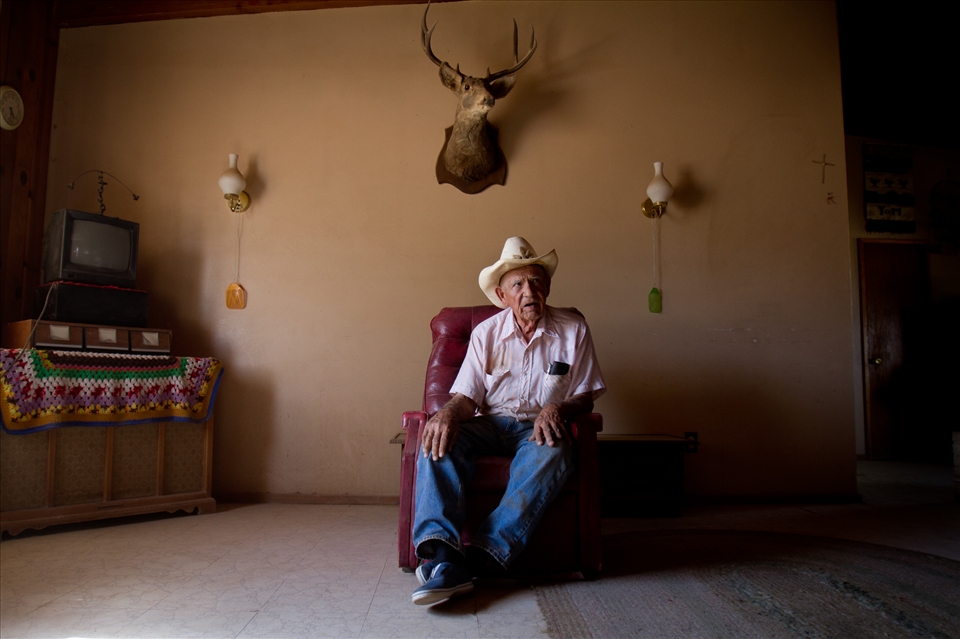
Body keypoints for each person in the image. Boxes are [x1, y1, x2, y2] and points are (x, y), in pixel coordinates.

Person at [412, 236, 606, 606]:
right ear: (502, 295)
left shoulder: (574, 330)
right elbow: (467, 397)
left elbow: (584, 394)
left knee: (554, 451)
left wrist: (557, 409)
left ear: (547, 288)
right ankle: (443, 551)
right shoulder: (486, 333)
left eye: (536, 282)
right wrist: (446, 414)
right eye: (517, 284)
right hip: (489, 423)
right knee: (438, 438)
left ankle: (476, 558)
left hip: (538, 426)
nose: (528, 291)